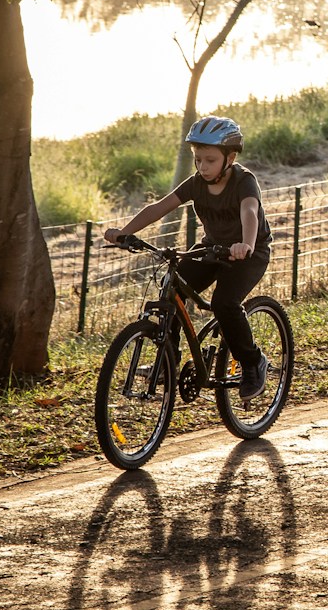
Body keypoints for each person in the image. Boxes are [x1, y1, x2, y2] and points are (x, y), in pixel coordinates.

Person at [105, 116, 272, 398]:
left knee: (224, 303)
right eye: (198, 160)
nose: (202, 167)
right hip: (211, 249)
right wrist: (124, 232)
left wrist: (245, 243)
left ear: (229, 158)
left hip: (248, 253)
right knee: (172, 289)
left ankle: (254, 362)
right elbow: (160, 207)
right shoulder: (196, 183)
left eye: (210, 160)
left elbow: (249, 212)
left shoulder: (244, 181)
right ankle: (166, 359)